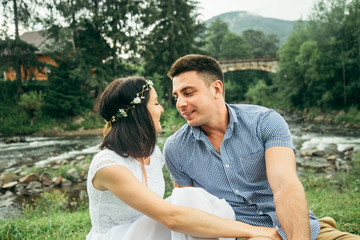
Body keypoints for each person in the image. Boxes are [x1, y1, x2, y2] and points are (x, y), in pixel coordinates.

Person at [164, 54, 360, 240]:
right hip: (243, 235)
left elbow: (285, 185)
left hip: (301, 229)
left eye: (188, 93)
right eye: (176, 96)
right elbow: (190, 212)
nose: (180, 103)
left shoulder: (264, 122)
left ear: (216, 89)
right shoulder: (175, 149)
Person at [86, 76, 282, 240]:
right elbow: (170, 217)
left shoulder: (152, 153)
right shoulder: (108, 166)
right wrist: (254, 230)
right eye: (155, 103)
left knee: (200, 200)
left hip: (148, 230)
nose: (161, 109)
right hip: (119, 236)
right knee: (187, 199)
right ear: (139, 113)